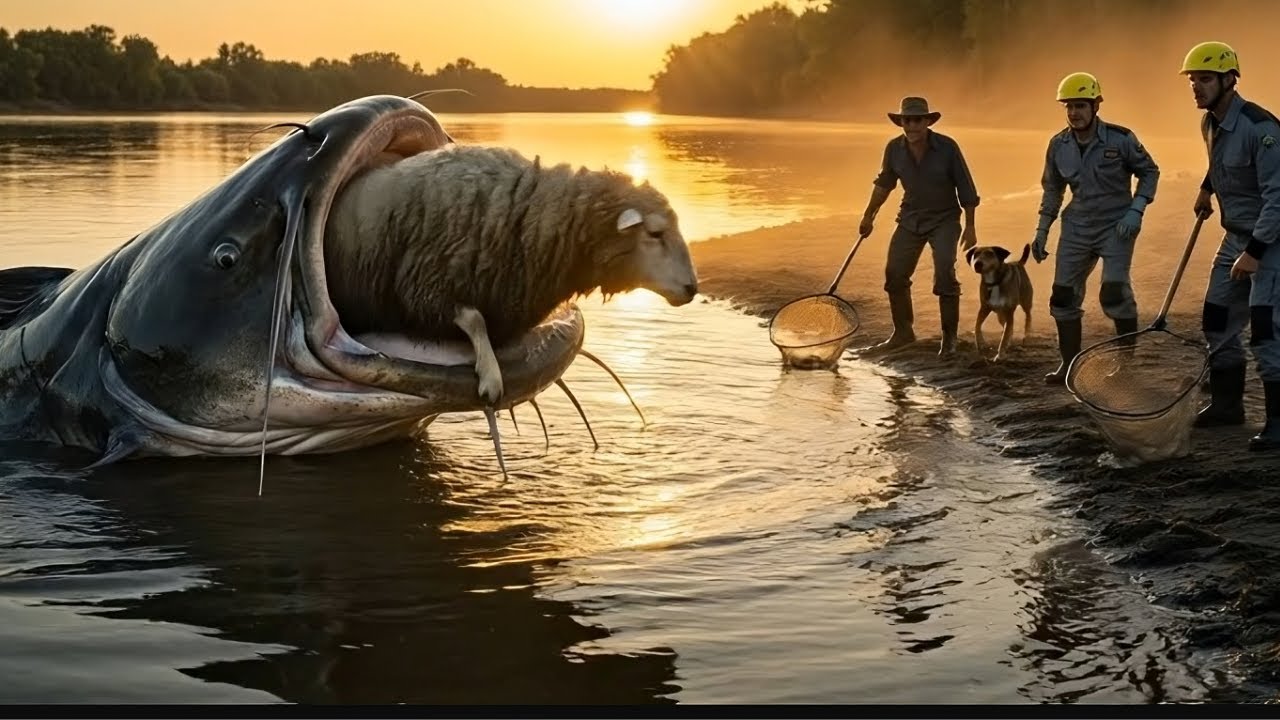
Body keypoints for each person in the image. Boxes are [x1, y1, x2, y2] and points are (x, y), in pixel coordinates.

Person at [1181, 41, 1280, 451]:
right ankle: (1227, 405)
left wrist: (1255, 253)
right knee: (1216, 316)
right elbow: (1222, 160)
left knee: (1266, 331)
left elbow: (1278, 197)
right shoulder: (1209, 123)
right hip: (1235, 234)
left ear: (1229, 80)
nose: (1196, 87)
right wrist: (1207, 188)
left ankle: (1278, 423)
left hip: (1271, 241)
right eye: (1193, 80)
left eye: (1204, 79)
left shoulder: (1263, 129)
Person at [1031, 72, 1161, 385]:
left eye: (1080, 105)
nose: (1074, 112)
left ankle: (1125, 365)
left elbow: (1150, 172)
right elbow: (1052, 190)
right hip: (1077, 225)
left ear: (1095, 106)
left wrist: (1137, 209)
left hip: (1117, 225)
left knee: (1114, 291)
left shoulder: (1121, 138)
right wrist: (1042, 230)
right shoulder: (1058, 145)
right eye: (1069, 106)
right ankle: (1068, 366)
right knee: (1062, 296)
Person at [858, 96, 981, 359]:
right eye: (906, 121)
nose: (912, 126)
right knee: (894, 273)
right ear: (900, 122)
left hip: (945, 219)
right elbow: (884, 184)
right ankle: (903, 333)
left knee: (945, 273)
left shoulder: (947, 147)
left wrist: (970, 227)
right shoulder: (894, 149)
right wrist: (869, 215)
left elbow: (966, 188)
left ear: (927, 122)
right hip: (910, 218)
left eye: (917, 120)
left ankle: (949, 340)